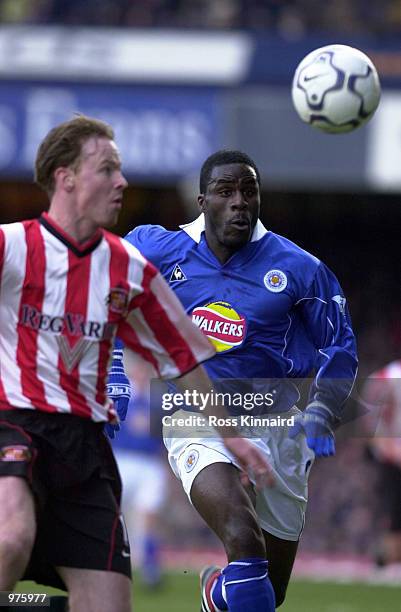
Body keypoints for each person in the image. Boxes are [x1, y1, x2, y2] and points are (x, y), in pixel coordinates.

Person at [0, 124, 271, 612]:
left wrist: (231, 437)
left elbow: (184, 355)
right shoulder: (12, 247)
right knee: (11, 536)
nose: (123, 181)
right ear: (66, 179)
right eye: (108, 169)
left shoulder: (129, 267)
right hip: (14, 427)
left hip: (86, 450)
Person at [111, 150, 358, 611]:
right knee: (244, 544)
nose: (239, 202)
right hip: (196, 419)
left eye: (249, 191)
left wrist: (325, 408)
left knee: (265, 594)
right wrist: (114, 371)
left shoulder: (301, 268)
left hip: (281, 428)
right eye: (226, 192)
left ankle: (215, 592)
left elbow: (339, 346)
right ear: (203, 200)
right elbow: (101, 291)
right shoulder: (158, 250)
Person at [111, 361, 167, 587]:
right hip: (121, 459)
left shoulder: (158, 400)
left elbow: (165, 433)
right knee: (114, 515)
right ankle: (111, 565)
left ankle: (150, 568)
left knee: (148, 516)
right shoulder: (120, 397)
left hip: (149, 464)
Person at [361, 359, 401, 566]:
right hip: (390, 456)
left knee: (392, 511)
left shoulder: (383, 376)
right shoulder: (387, 378)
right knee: (393, 511)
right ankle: (386, 556)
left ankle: (386, 555)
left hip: (388, 454)